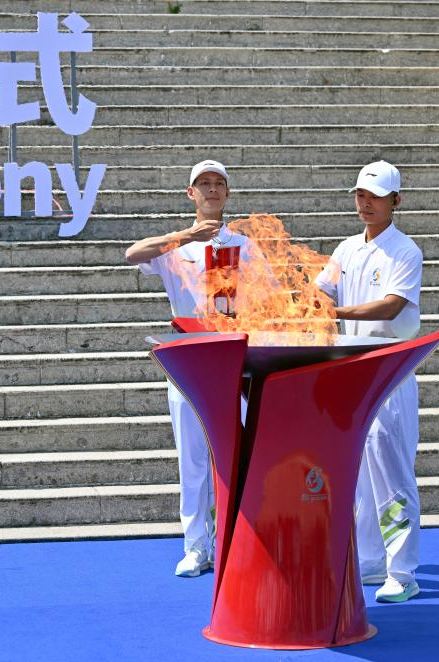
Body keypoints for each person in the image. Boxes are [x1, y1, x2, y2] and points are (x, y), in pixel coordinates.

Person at [125, 160, 260, 577]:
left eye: (219, 183)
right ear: (191, 193)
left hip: (234, 362)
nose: (212, 189)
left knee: (231, 457)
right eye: (204, 183)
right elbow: (132, 254)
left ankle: (230, 541)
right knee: (192, 459)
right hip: (188, 362)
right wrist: (186, 236)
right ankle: (195, 546)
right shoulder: (175, 247)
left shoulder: (244, 245)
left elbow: (268, 298)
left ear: (228, 193)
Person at [315, 160, 424, 603]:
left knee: (391, 470)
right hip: (351, 370)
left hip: (389, 370)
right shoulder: (345, 249)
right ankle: (372, 560)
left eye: (376, 196)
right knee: (358, 473)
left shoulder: (405, 252)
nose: (366, 203)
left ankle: (404, 571)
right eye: (360, 195)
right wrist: (307, 300)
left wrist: (336, 312)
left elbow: (391, 306)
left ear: (396, 200)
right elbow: (322, 290)